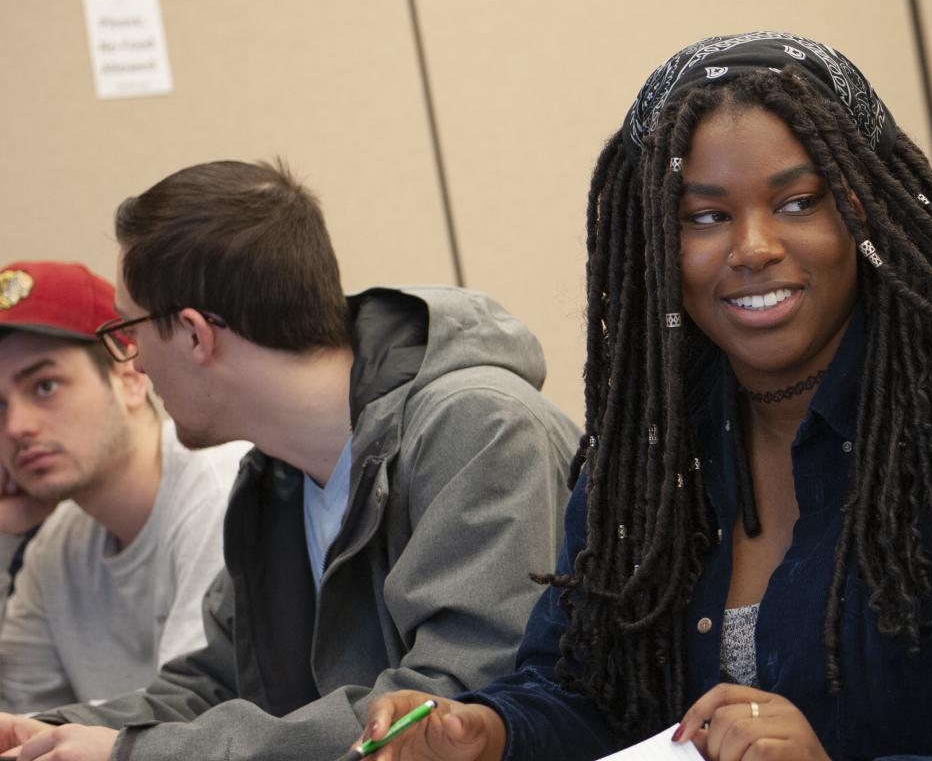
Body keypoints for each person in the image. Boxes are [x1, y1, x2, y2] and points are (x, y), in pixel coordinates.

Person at [360, 32, 932, 761]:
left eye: (799, 202)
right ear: (656, 245)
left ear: (863, 213)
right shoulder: (651, 451)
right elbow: (589, 697)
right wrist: (486, 733)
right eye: (706, 217)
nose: (753, 247)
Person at [0, 161, 580, 761]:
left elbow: (444, 714)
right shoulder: (275, 476)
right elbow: (217, 685)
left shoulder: (479, 430)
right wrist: (41, 734)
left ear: (197, 335)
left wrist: (134, 754)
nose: (135, 363)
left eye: (130, 330)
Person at [0, 261, 245, 713]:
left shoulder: (223, 488)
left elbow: (192, 718)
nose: (16, 427)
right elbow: (13, 718)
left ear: (130, 378)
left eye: (45, 386)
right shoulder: (54, 546)